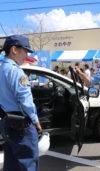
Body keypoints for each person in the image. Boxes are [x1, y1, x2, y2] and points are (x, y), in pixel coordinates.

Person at [0, 35, 42, 171]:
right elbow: (25, 100)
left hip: (6, 121)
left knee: (11, 163)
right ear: (14, 50)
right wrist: (36, 121)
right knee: (27, 164)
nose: (26, 55)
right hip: (22, 124)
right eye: (25, 51)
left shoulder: (1, 69)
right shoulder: (16, 71)